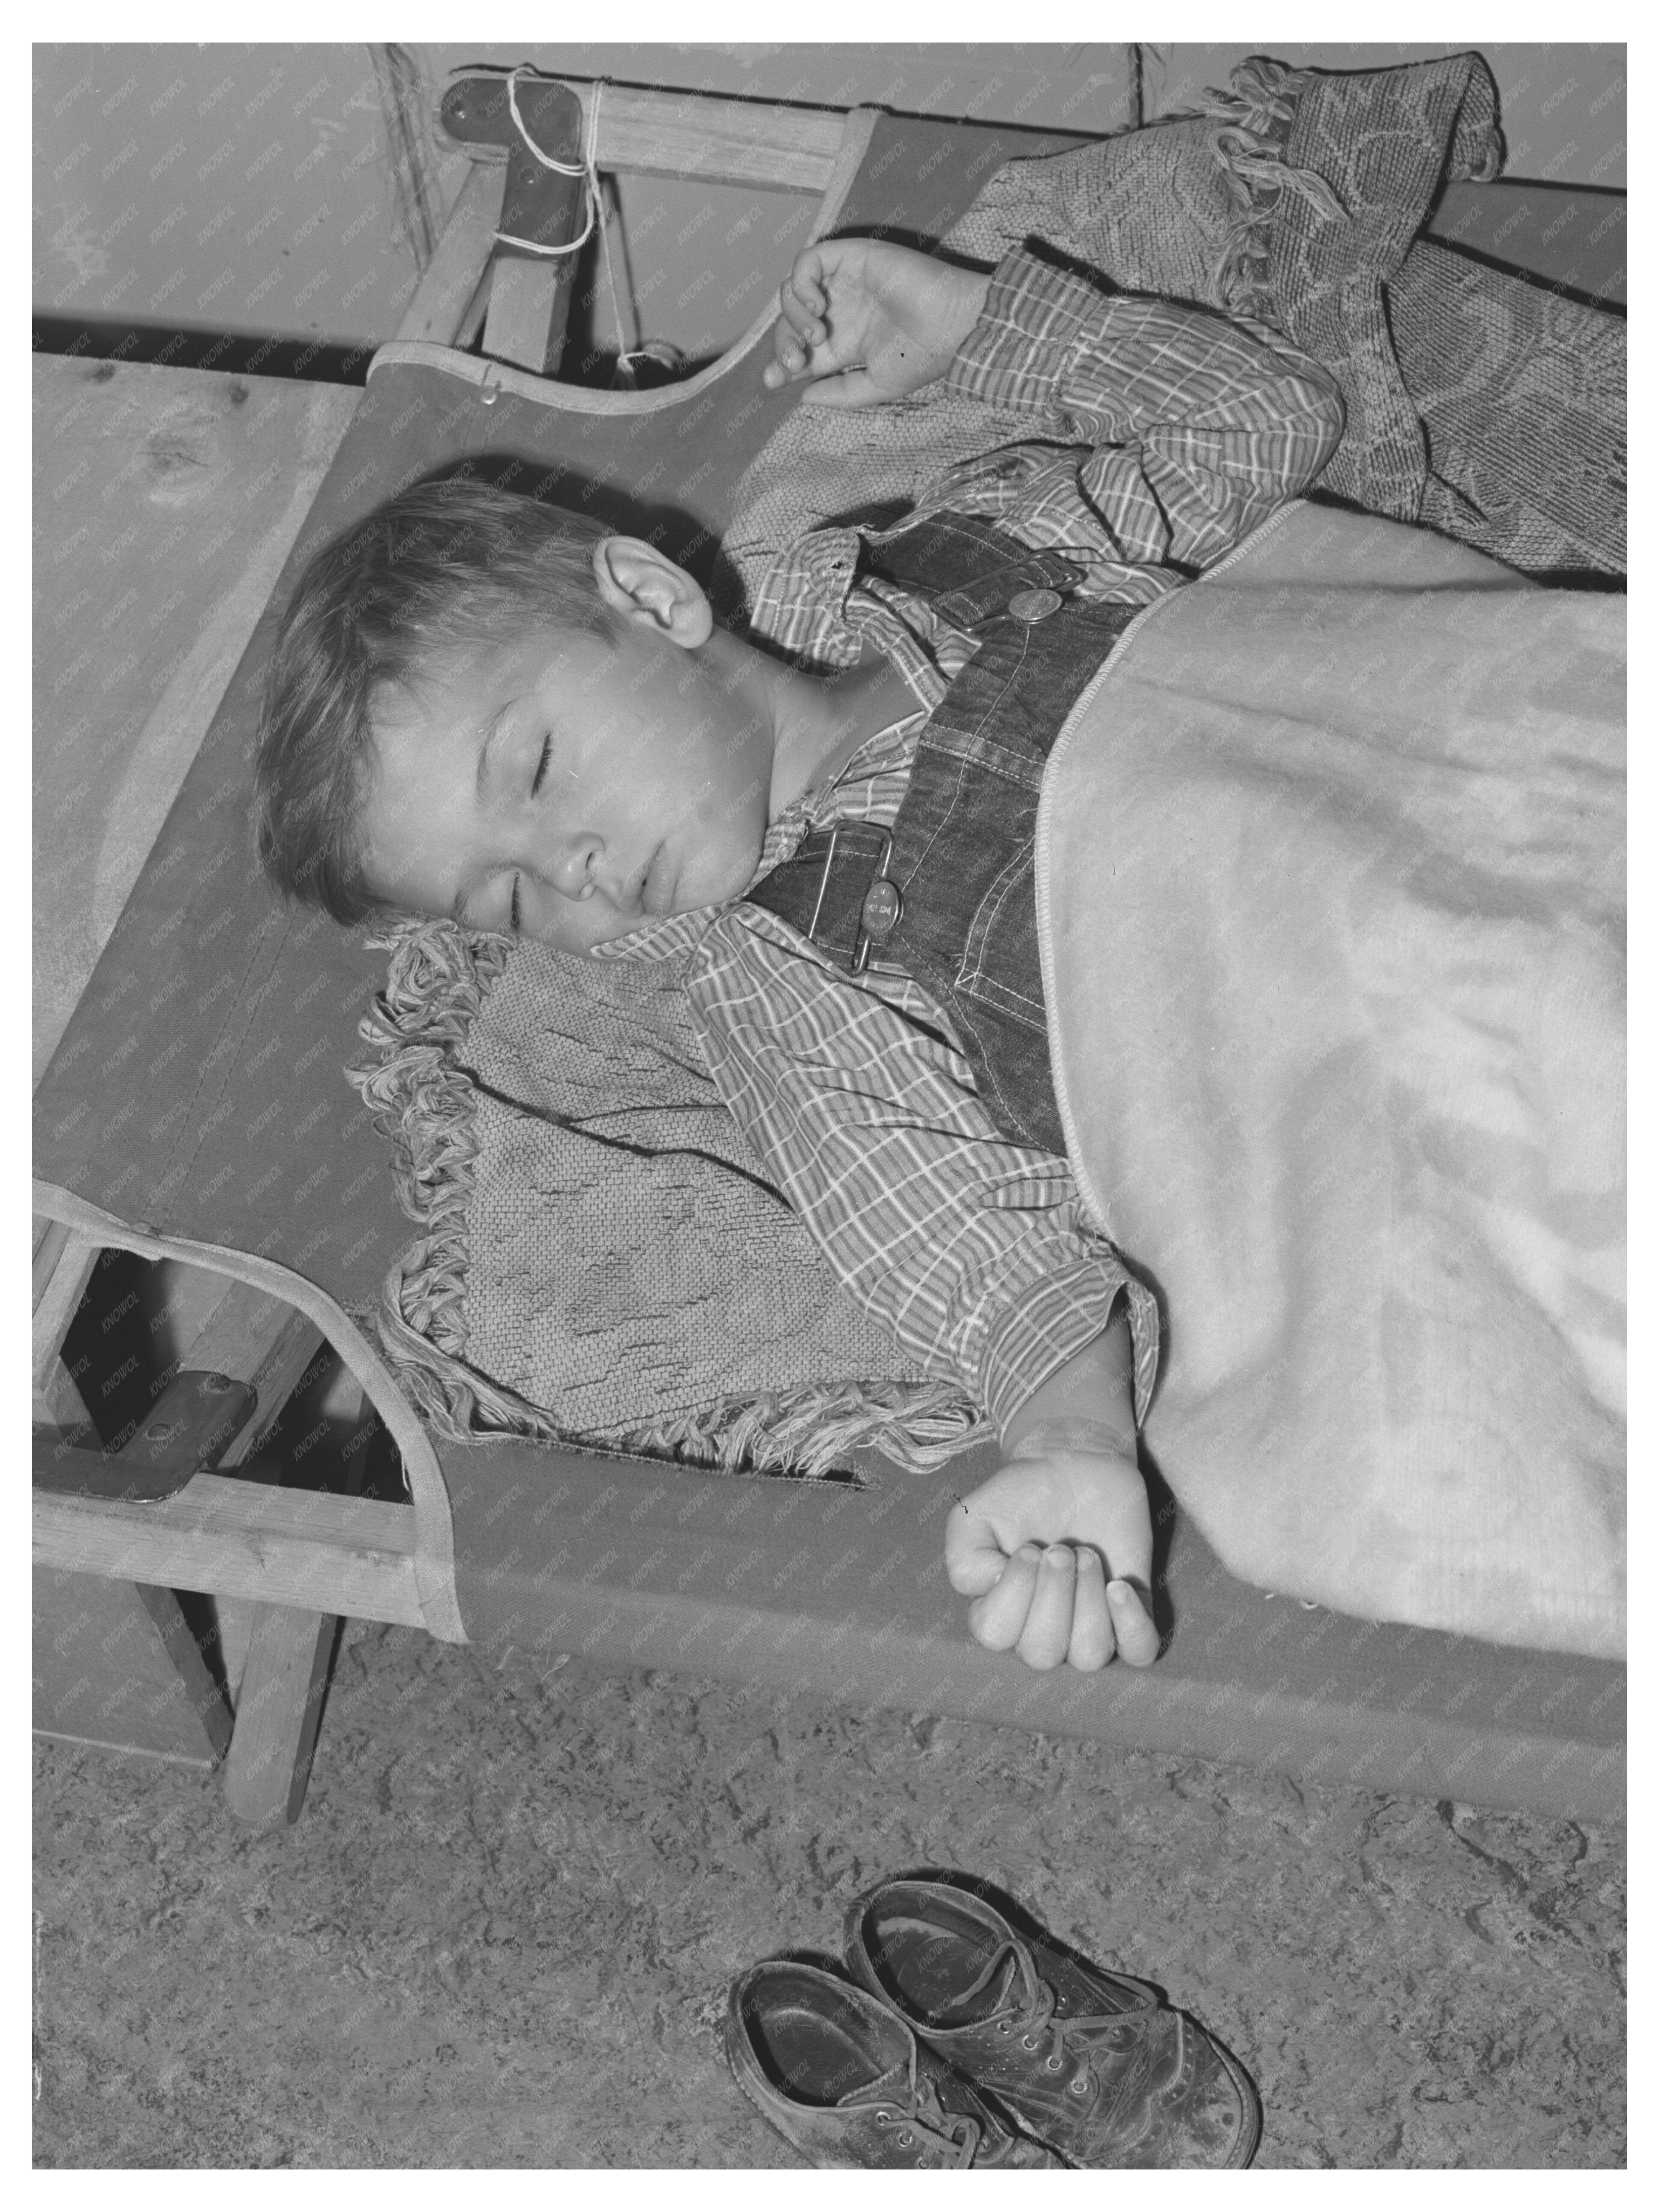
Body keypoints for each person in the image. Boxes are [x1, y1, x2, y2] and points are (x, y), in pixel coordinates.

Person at [255, 238, 1345, 1677]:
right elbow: (963, 1237)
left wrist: (991, 328)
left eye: (534, 771)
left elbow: (1266, 418)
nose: (567, 870)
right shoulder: (784, 974)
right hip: (1342, 1029)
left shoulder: (990, 547)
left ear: (649, 602)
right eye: (507, 904)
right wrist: (1076, 1446)